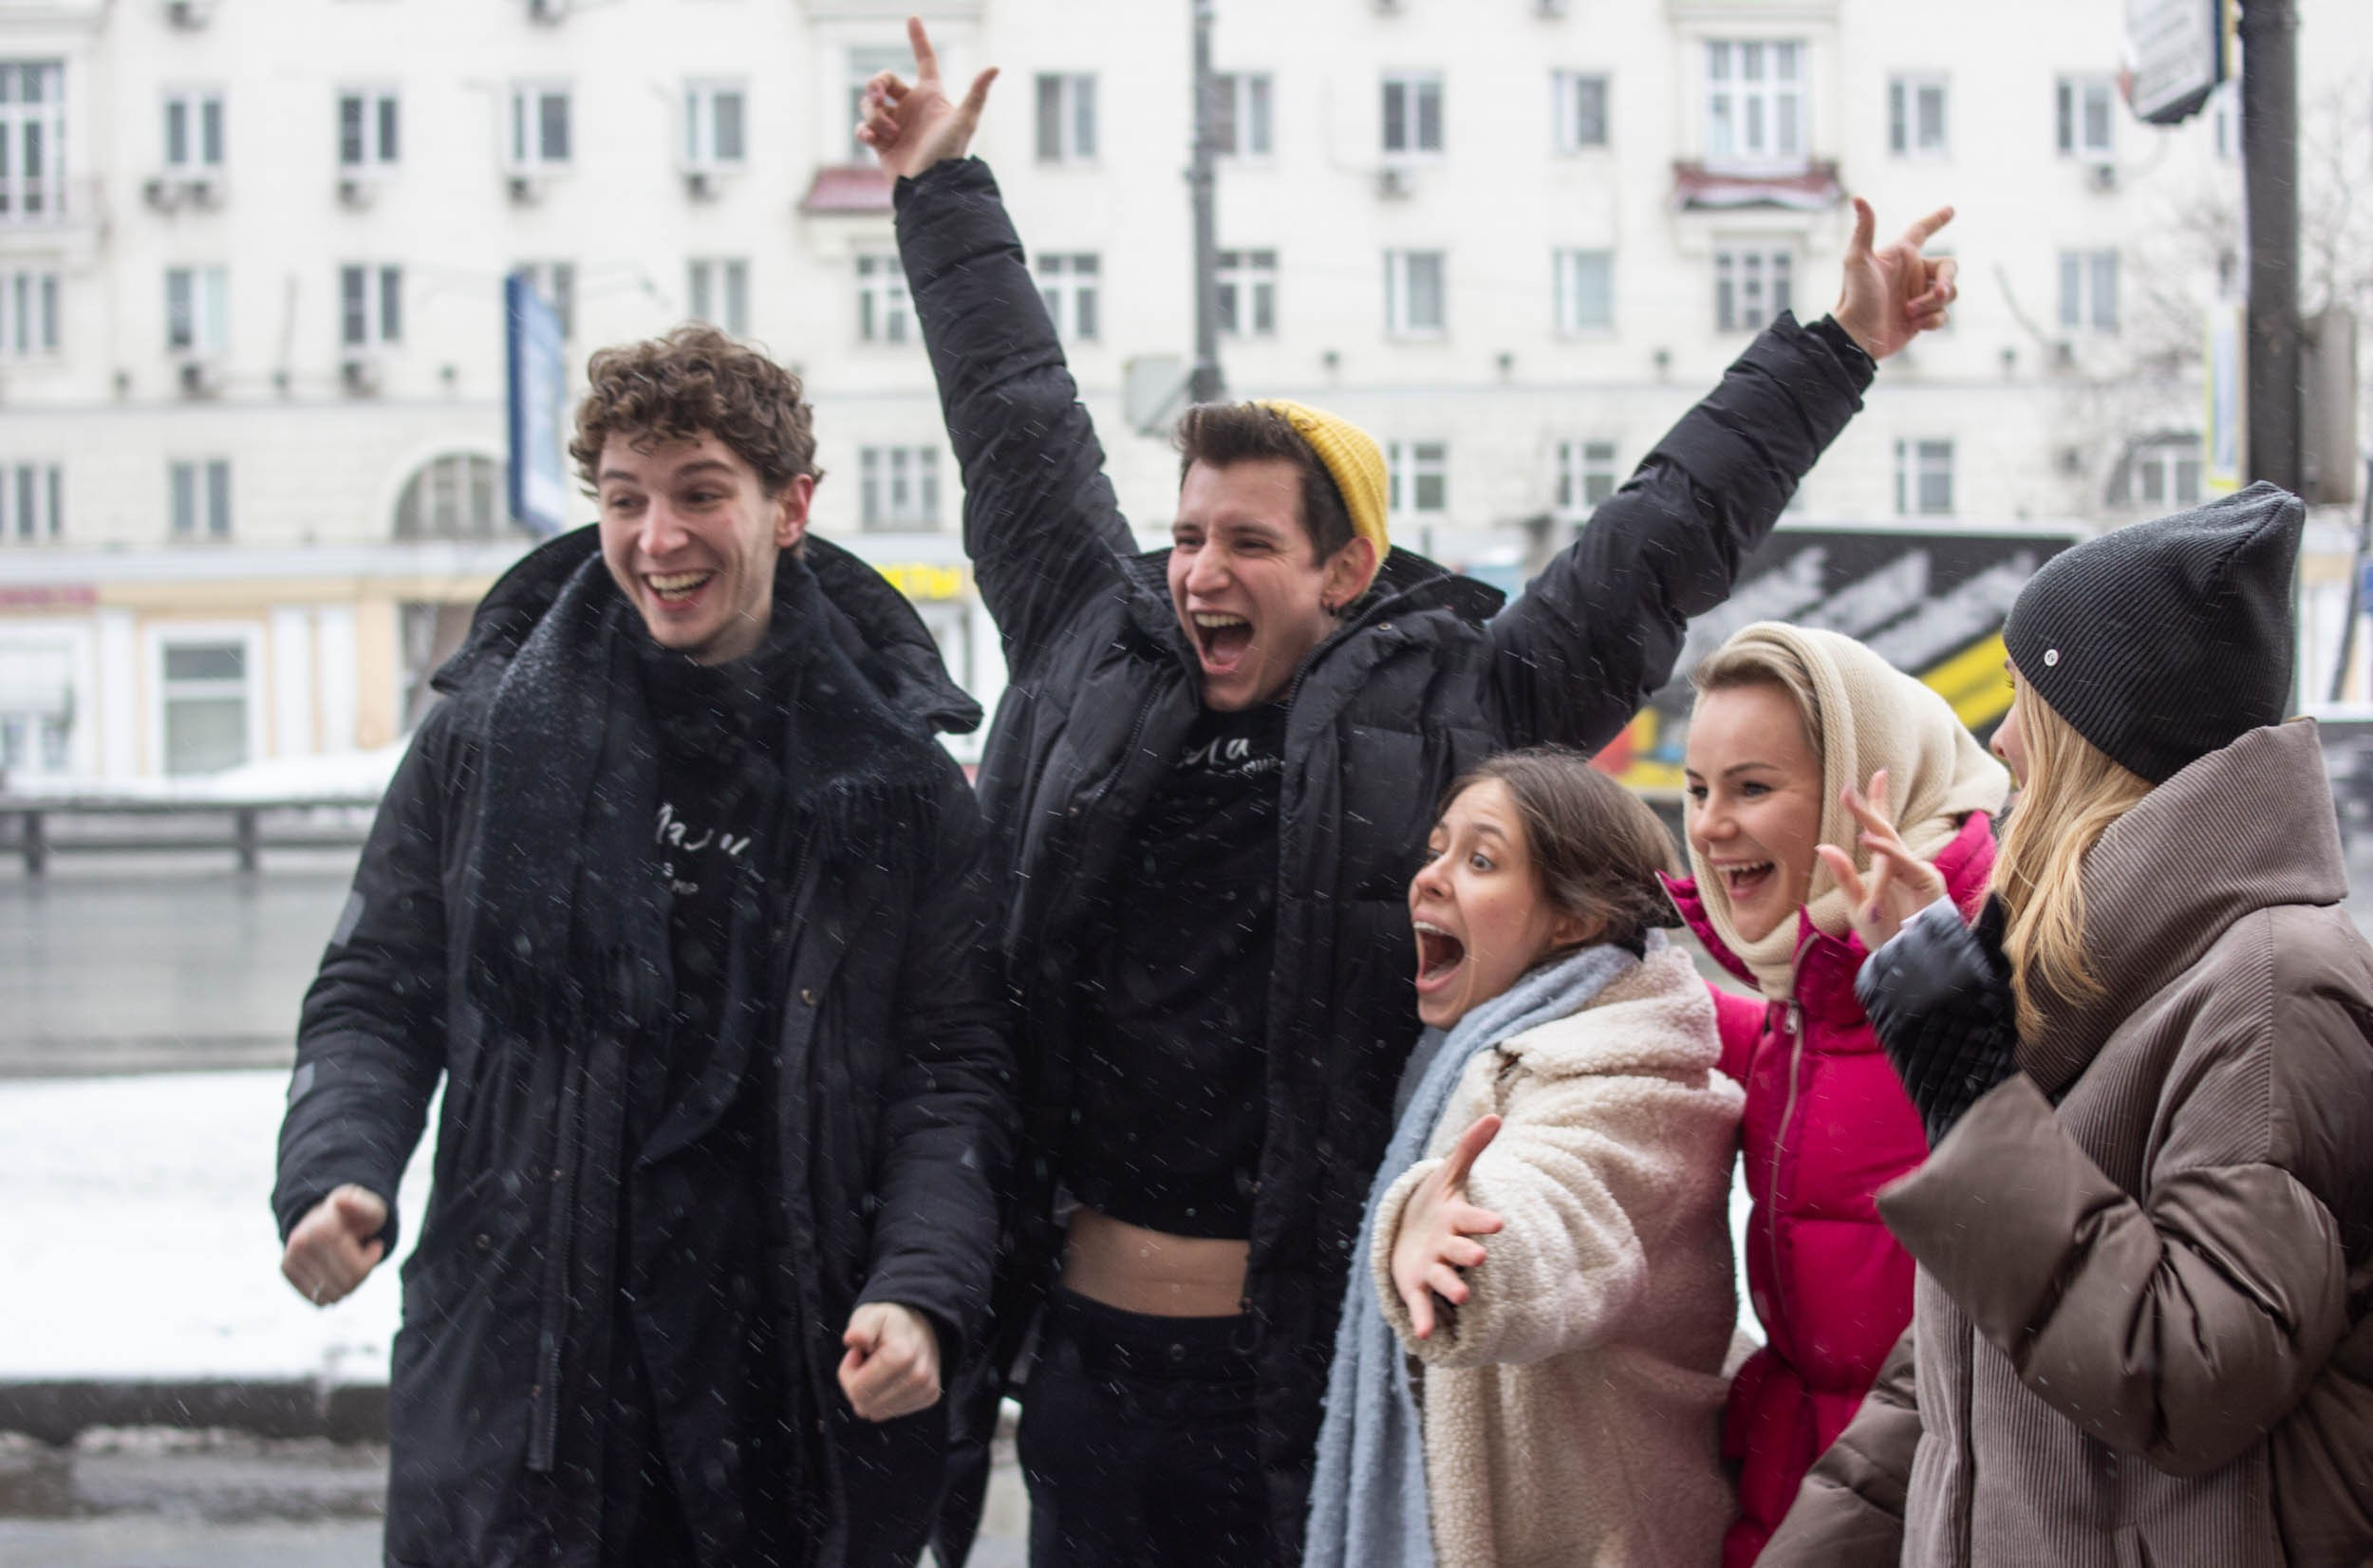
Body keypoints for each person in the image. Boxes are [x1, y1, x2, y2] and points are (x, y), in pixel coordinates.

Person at [858, 21, 1959, 1562]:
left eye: (1248, 542)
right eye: (1188, 536)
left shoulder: (1462, 703)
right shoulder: (1086, 640)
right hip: (1087, 1369)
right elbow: (1014, 414)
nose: (1199, 572)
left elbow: (1660, 536)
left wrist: (1834, 346)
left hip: (1322, 1363)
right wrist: (939, 187)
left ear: (1346, 568)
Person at [271, 326, 1015, 1568]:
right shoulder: (485, 739)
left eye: (700, 494)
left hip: (780, 1382)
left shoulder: (894, 782)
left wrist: (920, 1286)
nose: (658, 539)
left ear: (791, 507)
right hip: (524, 1377)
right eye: (626, 500)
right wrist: (339, 1164)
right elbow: (376, 994)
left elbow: (954, 1071)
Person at [1764, 484, 2373, 1566]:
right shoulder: (2115, 972)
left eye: (2022, 699)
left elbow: (2188, 1370)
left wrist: (1970, 1093)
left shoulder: (2273, 986)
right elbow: (1961, 1374)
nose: (2002, 741)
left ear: (2100, 731)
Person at [1305, 748, 1744, 1568]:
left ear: (1573, 921)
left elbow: (1561, 1207)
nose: (1430, 878)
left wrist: (1470, 1246)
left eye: (1480, 861)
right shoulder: (1481, 1049)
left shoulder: (1629, 1079)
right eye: (1437, 849)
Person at [1660, 622, 2005, 1566]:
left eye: (1751, 787)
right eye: (1697, 788)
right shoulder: (1803, 994)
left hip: (1917, 1518)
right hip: (1801, 1486)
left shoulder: (1988, 982)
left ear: (1864, 787)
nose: (1709, 825)